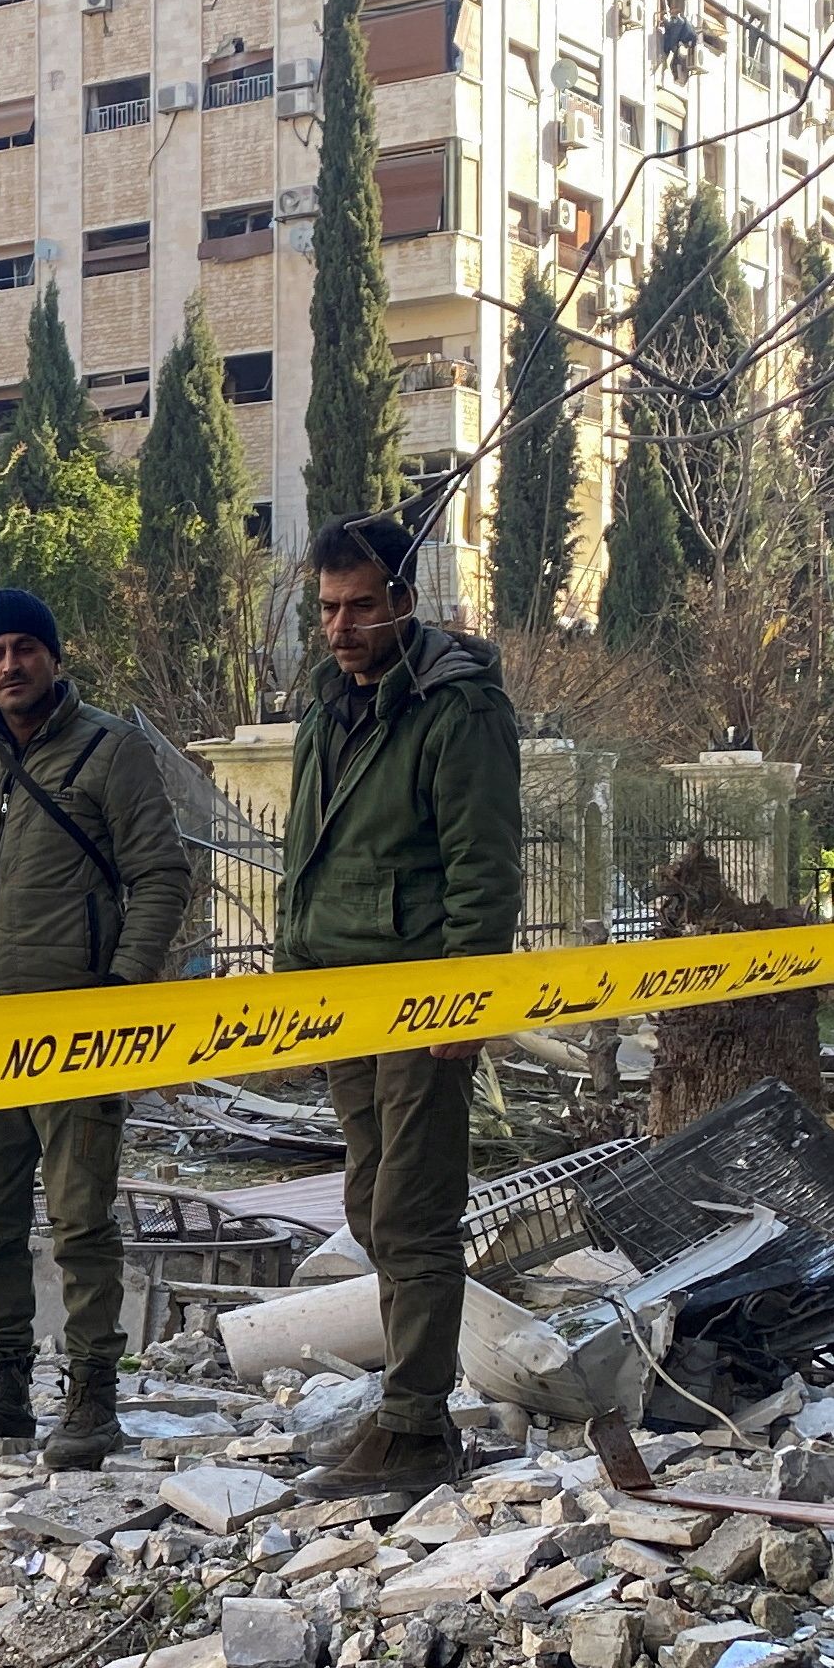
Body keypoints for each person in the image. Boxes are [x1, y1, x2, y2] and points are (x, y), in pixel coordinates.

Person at [0, 587, 194, 1470]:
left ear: (54, 656)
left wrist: (122, 987)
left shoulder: (111, 750)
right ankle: (4, 1385)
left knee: (82, 1218)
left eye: (24, 647)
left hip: (71, 1030)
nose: (9, 665)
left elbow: (161, 876)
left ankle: (93, 1394)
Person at [276, 513, 525, 1498]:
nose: (342, 627)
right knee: (369, 1204)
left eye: (362, 607)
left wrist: (464, 1002)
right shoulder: (327, 712)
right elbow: (309, 861)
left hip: (422, 999)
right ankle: (406, 1403)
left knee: (412, 1209)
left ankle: (418, 1426)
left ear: (406, 603)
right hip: (342, 1000)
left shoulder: (454, 710)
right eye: (329, 609)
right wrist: (296, 983)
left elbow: (484, 867)